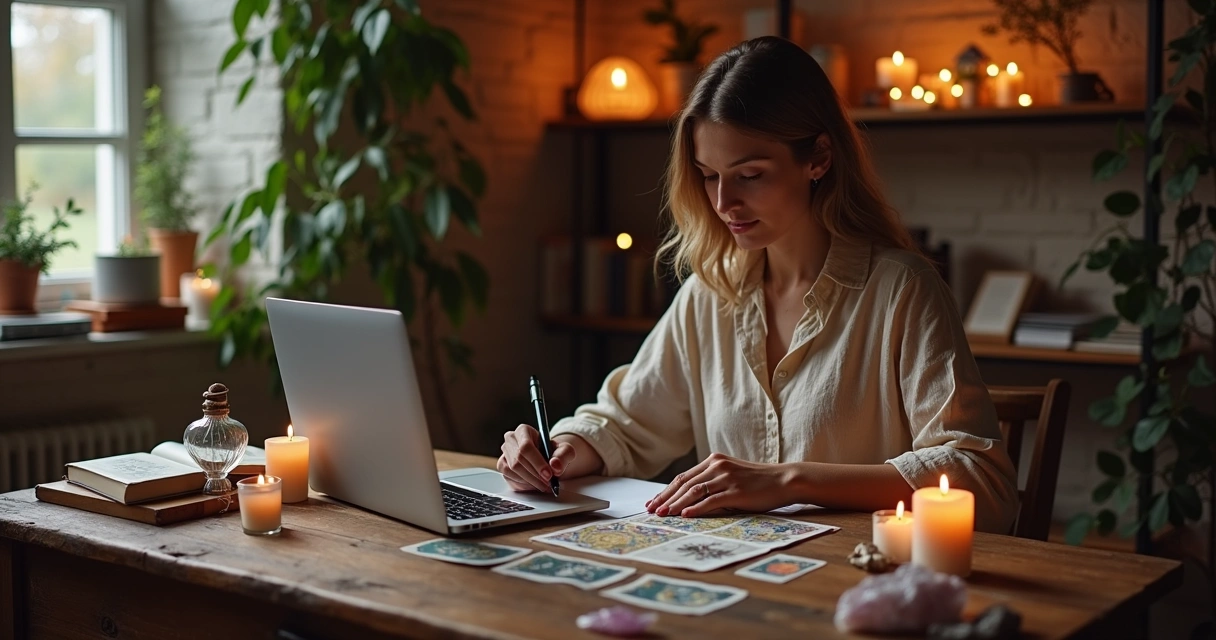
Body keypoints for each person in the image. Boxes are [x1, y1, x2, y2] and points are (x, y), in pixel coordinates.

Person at [497, 36, 1019, 534]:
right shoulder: (711, 294)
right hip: (740, 582)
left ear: (818, 157)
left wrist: (790, 479)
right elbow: (627, 423)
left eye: (749, 175)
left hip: (861, 584)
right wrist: (557, 449)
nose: (724, 203)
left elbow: (983, 483)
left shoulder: (902, 291)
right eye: (707, 174)